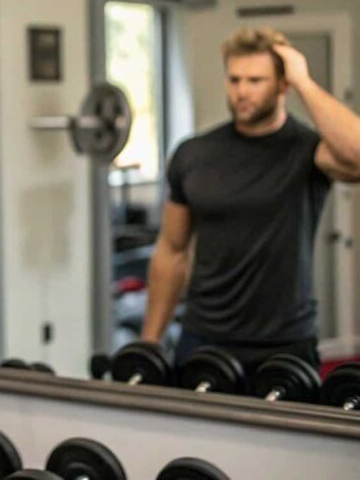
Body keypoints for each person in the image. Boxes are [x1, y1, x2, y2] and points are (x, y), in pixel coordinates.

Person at [141, 27, 360, 376]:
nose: (242, 91)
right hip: (204, 336)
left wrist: (303, 80)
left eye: (255, 80)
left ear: (282, 85)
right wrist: (150, 341)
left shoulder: (308, 151)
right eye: (235, 79)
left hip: (285, 342)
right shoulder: (193, 153)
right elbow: (171, 249)